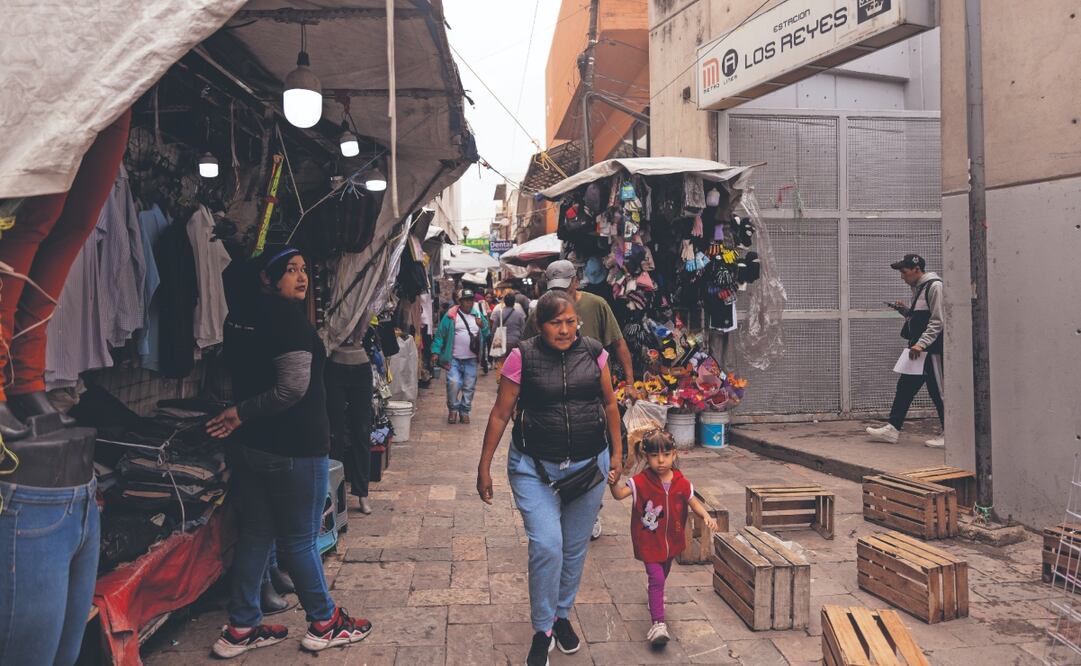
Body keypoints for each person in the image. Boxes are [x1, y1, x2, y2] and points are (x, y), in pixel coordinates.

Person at [207, 248, 371, 658]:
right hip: (294, 449)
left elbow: (235, 374)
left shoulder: (239, 316)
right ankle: (324, 622)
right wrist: (240, 413)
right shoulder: (287, 322)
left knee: (257, 535)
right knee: (299, 539)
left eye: (303, 269)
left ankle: (241, 627)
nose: (301, 278)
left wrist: (239, 417)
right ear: (267, 277)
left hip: (253, 449)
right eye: (290, 271)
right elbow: (292, 388)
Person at [478, 291, 623, 666]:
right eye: (556, 322)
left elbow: (610, 404)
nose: (564, 329)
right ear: (540, 325)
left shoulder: (594, 353)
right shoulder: (521, 357)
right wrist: (484, 467)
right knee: (547, 545)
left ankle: (561, 616)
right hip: (534, 469)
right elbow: (499, 414)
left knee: (574, 549)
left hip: (588, 468)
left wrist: (618, 454)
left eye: (570, 321)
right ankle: (542, 628)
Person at [607, 428, 718, 646]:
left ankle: (654, 596)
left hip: (672, 542)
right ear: (645, 457)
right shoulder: (640, 481)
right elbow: (619, 495)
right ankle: (658, 624)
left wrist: (706, 516)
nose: (660, 461)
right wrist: (613, 482)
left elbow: (693, 501)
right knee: (656, 578)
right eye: (654, 456)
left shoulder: (681, 482)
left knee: (663, 573)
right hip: (648, 541)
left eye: (666, 455)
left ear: (674, 454)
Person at [866, 254, 946, 448]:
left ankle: (951, 433)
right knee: (904, 388)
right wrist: (905, 311)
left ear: (917, 270)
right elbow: (920, 317)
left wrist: (922, 343)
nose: (902, 276)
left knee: (939, 392)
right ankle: (892, 429)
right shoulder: (918, 288)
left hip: (930, 350)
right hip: (916, 350)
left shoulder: (935, 286)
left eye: (904, 272)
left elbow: (938, 320)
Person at [325, 320, 376, 515]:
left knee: (362, 432)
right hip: (335, 366)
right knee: (334, 433)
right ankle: (335, 493)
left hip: (361, 367)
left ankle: (362, 493)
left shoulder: (363, 299)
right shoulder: (333, 303)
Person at [431, 289, 489, 424]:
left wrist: (483, 326)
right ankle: (453, 410)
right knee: (453, 384)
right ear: (460, 301)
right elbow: (440, 335)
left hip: (471, 359)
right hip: (454, 359)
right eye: (466, 300)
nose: (469, 303)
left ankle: (464, 411)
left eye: (471, 300)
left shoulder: (478, 315)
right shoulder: (451, 315)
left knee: (469, 386)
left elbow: (487, 335)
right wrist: (435, 351)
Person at [490, 293, 526, 376]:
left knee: (501, 361)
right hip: (515, 342)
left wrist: (492, 340)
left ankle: (500, 380)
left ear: (504, 302)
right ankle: (510, 379)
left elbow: (494, 329)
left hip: (501, 341)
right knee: (512, 362)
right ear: (514, 303)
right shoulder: (519, 315)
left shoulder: (499, 313)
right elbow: (523, 329)